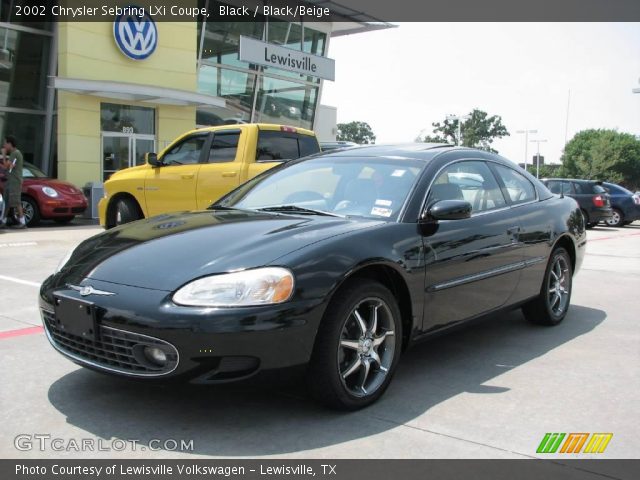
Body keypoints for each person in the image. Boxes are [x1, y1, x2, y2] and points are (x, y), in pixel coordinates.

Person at [1, 135, 26, 228]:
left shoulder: (16, 153)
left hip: (15, 181)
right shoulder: (13, 154)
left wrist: (3, 155)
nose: (4, 145)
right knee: (7, 201)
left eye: (5, 143)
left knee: (16, 201)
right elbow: (7, 168)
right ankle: (3, 221)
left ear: (9, 144)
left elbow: (8, 166)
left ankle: (22, 222)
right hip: (10, 181)